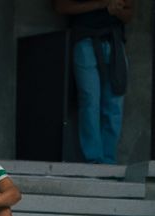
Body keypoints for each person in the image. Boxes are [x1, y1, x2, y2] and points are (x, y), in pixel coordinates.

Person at [56, 0, 129, 166]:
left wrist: (116, 10)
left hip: (114, 41)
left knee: (114, 103)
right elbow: (60, 6)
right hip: (85, 39)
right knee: (90, 99)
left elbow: (129, 13)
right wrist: (102, 5)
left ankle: (108, 160)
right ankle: (93, 158)